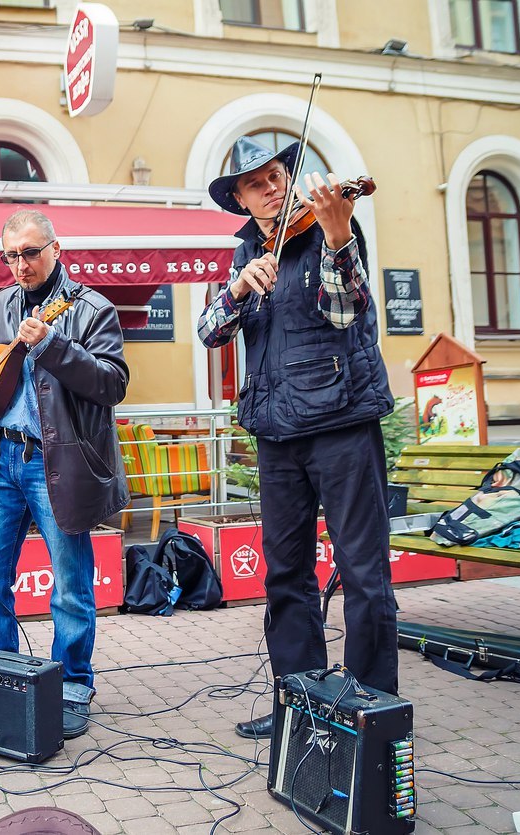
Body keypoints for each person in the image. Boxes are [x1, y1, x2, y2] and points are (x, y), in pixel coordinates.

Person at [197, 137, 397, 740]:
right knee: (285, 573)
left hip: (341, 424)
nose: (274, 187)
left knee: (363, 571)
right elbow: (209, 335)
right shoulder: (245, 257)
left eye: (278, 175)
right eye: (257, 183)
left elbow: (346, 313)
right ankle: (299, 702)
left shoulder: (330, 231)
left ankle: (370, 709)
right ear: (239, 199)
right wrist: (235, 290)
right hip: (277, 430)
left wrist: (338, 241)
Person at [0, 209, 129, 739]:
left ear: (56, 249)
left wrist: (53, 345)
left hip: (60, 462)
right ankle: (3, 675)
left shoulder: (92, 308)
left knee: (71, 585)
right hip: (1, 457)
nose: (19, 265)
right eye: (10, 255)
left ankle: (75, 683)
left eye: (30, 253)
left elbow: (112, 384)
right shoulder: (0, 303)